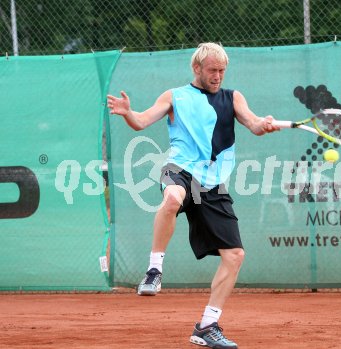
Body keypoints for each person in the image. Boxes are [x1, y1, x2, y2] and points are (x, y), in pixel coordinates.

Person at [107, 42, 279, 349]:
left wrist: (262, 124)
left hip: (212, 183)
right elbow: (142, 121)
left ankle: (207, 326)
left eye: (222, 71)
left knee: (235, 256)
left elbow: (252, 123)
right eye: (212, 70)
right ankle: (154, 270)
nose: (217, 76)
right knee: (172, 198)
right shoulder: (175, 96)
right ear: (196, 68)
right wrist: (127, 113)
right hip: (180, 169)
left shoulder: (232, 97)